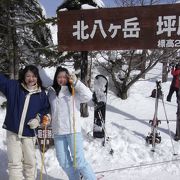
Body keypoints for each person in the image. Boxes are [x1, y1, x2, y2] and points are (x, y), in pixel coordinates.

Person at [0, 65, 49, 180]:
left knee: (30, 163)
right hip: (13, 131)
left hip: (29, 133)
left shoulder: (41, 95)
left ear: (37, 78)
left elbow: (45, 110)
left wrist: (38, 119)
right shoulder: (14, 87)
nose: (31, 79)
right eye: (28, 76)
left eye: (33, 76)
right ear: (24, 76)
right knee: (15, 163)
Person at [48, 66, 96, 180]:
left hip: (73, 131)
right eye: (59, 77)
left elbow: (88, 96)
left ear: (68, 78)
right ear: (56, 78)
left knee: (79, 162)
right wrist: (47, 117)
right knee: (64, 162)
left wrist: (76, 82)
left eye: (65, 77)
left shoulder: (74, 91)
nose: (62, 79)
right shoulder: (51, 92)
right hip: (58, 132)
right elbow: (50, 110)